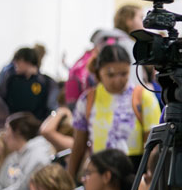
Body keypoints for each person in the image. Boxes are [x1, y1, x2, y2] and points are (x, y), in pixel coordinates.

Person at [67, 44, 161, 178]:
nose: (118, 80)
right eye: (110, 75)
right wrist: (69, 179)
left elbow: (154, 147)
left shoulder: (143, 97)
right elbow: (78, 145)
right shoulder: (87, 100)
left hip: (134, 173)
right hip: (99, 174)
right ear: (98, 71)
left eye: (124, 73)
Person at [0, 48, 59, 122]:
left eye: (18, 61)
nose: (15, 64)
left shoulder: (46, 81)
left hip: (36, 125)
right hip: (12, 123)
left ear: (28, 62)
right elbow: (1, 98)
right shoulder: (10, 78)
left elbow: (52, 106)